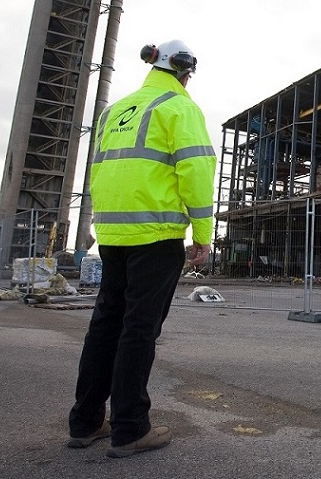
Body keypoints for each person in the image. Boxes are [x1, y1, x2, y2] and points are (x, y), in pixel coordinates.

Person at [67, 39, 216, 458]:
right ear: (185, 71)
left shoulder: (115, 111)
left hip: (113, 235)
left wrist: (101, 225)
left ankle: (86, 421)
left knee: (105, 326)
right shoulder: (179, 107)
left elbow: (98, 168)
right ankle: (131, 428)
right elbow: (196, 171)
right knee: (139, 330)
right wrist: (202, 234)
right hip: (156, 235)